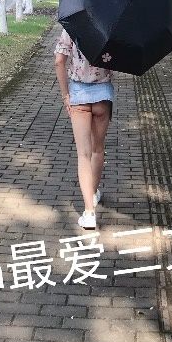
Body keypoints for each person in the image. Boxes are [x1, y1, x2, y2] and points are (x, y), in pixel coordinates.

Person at [54, 26, 114, 229]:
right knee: (98, 150)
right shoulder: (110, 27)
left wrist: (65, 95)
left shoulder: (72, 26)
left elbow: (59, 61)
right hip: (103, 95)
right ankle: (93, 195)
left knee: (83, 154)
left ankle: (89, 213)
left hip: (78, 95)